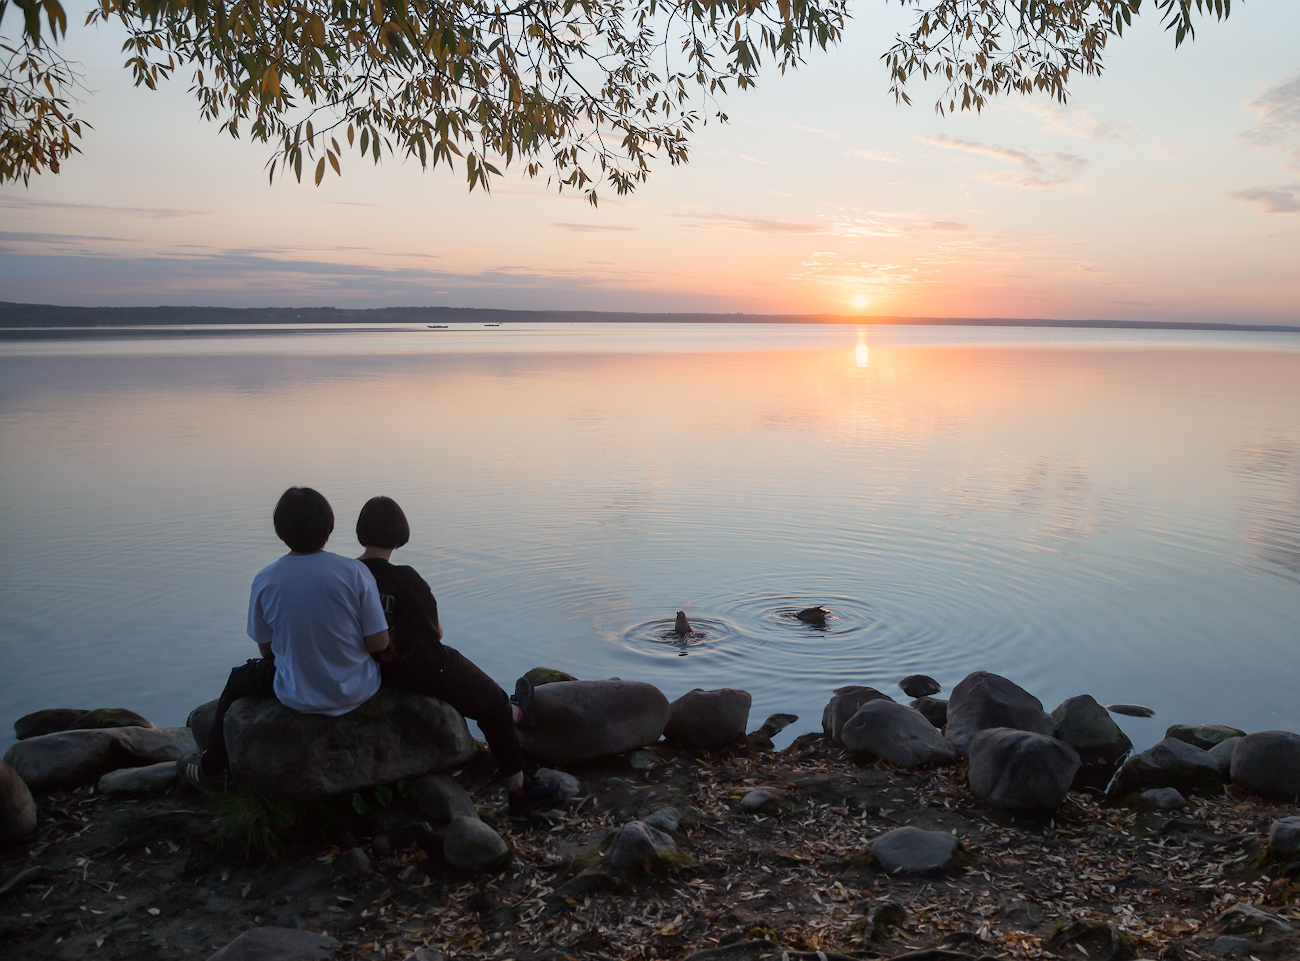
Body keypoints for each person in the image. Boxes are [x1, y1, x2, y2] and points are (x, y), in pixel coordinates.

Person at [354, 495, 560, 813]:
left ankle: (517, 714)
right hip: (418, 666)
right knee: (491, 701)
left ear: (361, 532)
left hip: (368, 671)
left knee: (485, 696)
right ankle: (520, 787)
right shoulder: (406, 578)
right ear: (399, 534)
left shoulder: (346, 576)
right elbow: (434, 633)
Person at [178, 487, 391, 790]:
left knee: (239, 678)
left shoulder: (266, 578)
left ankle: (211, 767)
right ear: (329, 526)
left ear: (280, 531)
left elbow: (267, 651)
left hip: (295, 694)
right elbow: (378, 643)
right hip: (358, 690)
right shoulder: (354, 571)